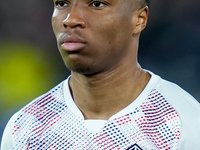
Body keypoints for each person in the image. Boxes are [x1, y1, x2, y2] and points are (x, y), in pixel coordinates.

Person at [1, 0, 200, 149]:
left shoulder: (184, 124)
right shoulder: (25, 127)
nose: (71, 20)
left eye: (96, 4)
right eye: (62, 3)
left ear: (139, 19)